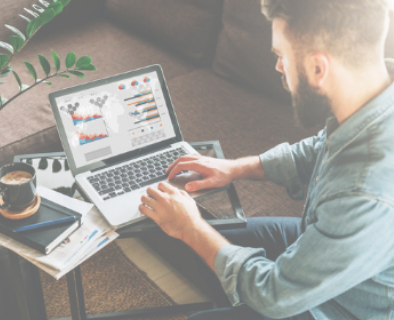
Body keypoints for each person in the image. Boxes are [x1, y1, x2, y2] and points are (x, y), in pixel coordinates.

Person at [138, 0, 394, 319]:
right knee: (211, 237)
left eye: (280, 55)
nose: (278, 68)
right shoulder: (378, 96)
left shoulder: (363, 192)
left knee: (196, 238)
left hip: (343, 306)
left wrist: (190, 227)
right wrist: (236, 168)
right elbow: (322, 147)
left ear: (318, 68)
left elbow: (274, 294)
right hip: (323, 238)